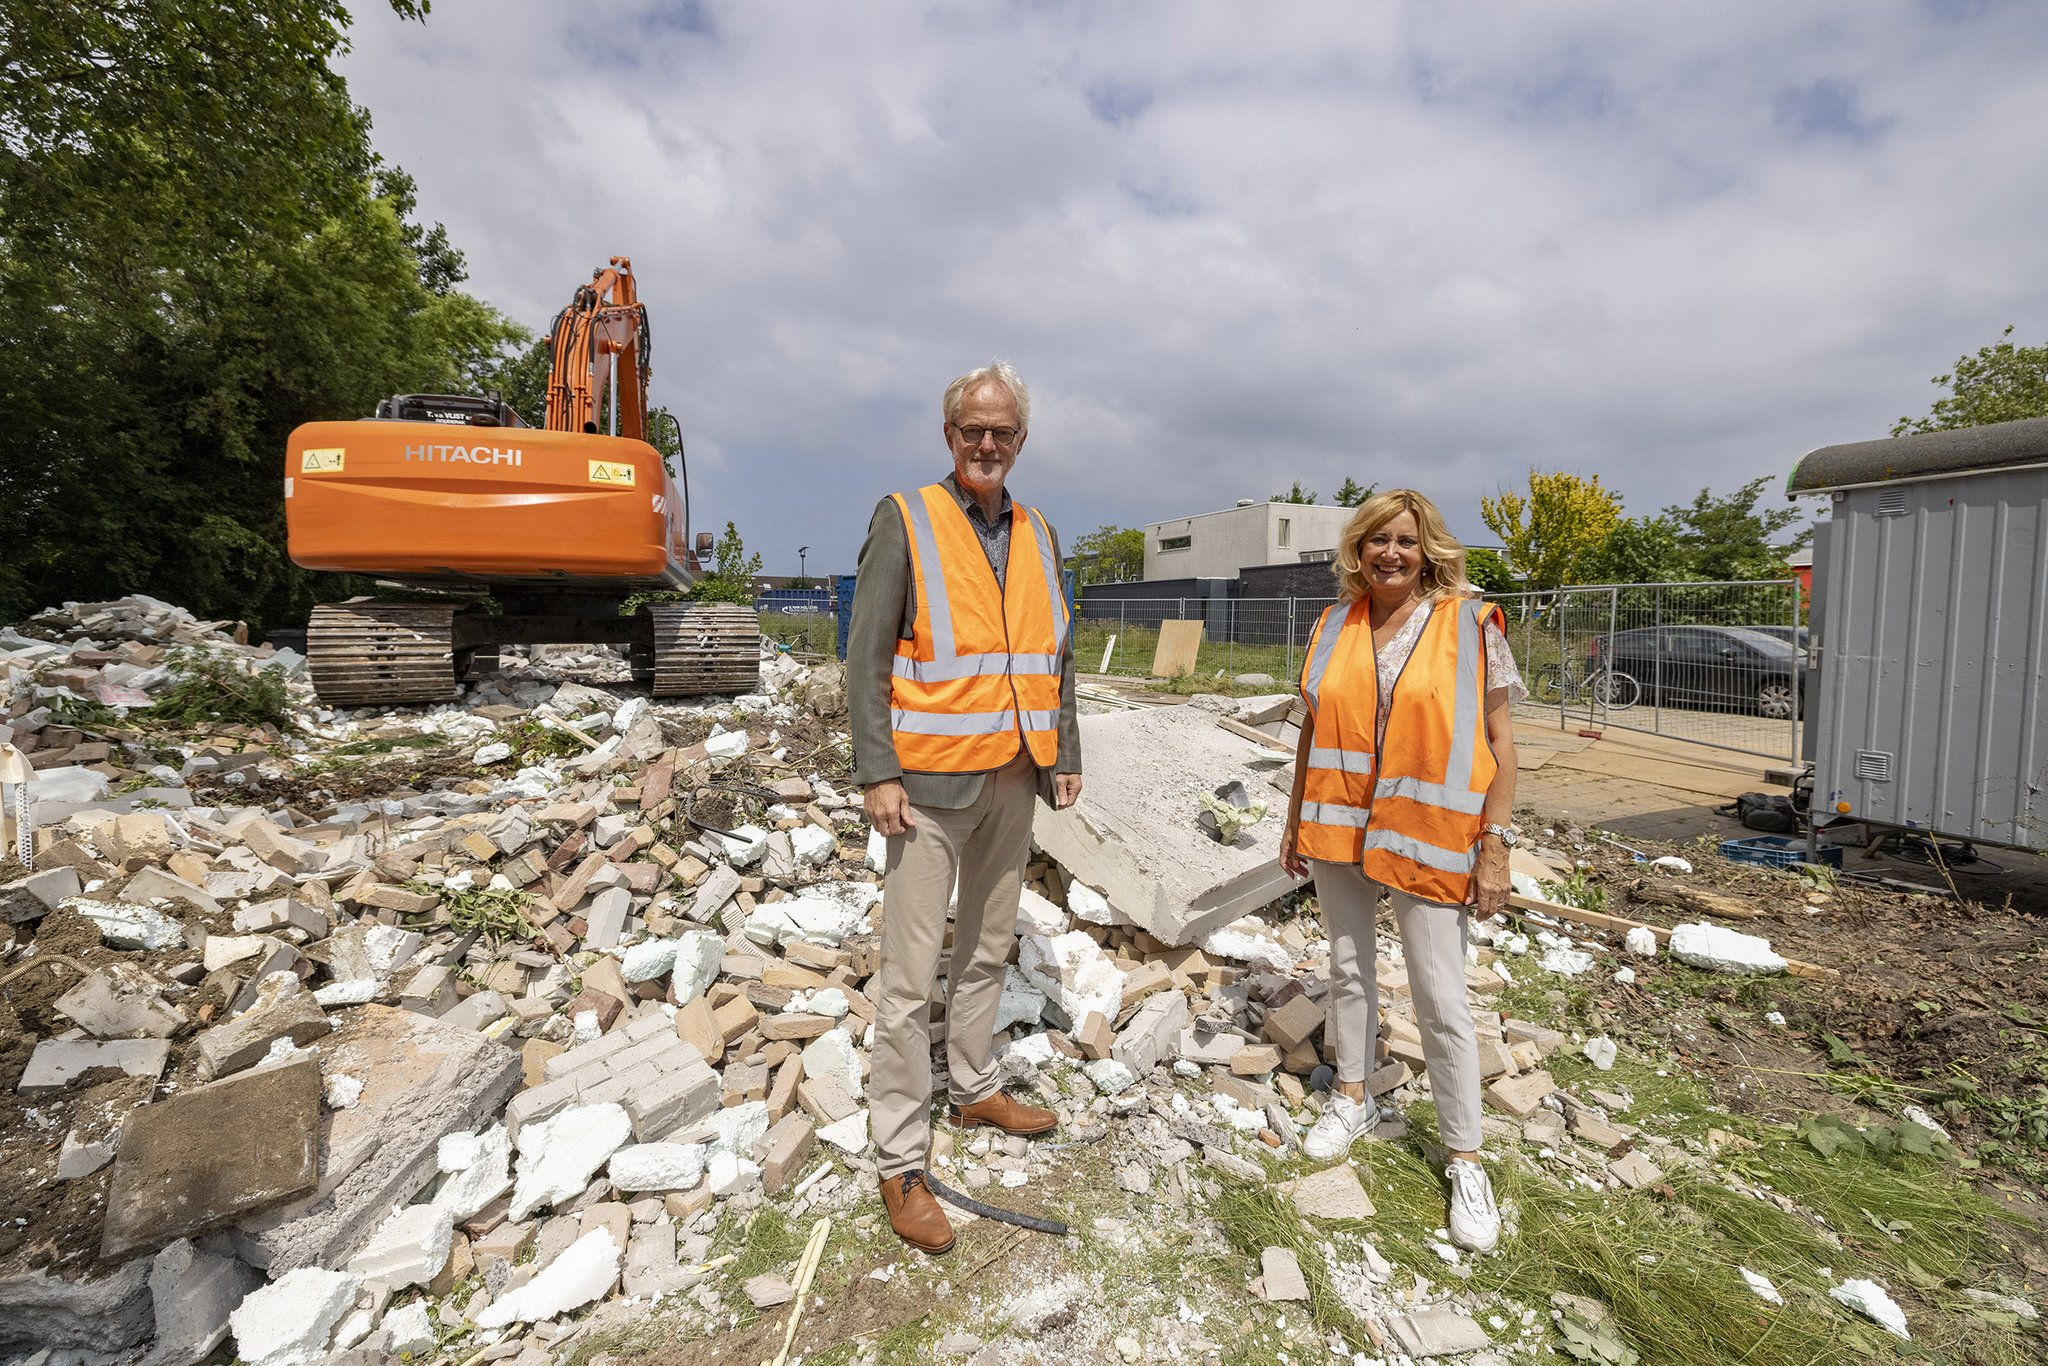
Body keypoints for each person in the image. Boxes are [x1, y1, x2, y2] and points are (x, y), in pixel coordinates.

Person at [846, 360, 1084, 1255]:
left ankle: (975, 1084)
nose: (988, 444)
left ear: (1022, 442)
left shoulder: (1042, 532)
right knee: (909, 978)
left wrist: (1064, 753)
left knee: (987, 945)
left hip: (1016, 779)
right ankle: (901, 1158)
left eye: (1004, 432)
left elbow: (1055, 657)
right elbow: (865, 655)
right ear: (949, 435)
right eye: (972, 430)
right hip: (930, 791)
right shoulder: (905, 519)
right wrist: (877, 771)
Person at [1279, 488, 1523, 1254]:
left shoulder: (1469, 623)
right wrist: (1293, 819)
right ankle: (1351, 1097)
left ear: (1430, 552)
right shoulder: (1333, 623)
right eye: (1379, 539)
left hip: (1429, 832)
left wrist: (1496, 844)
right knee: (1347, 971)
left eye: (1407, 542)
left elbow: (1500, 740)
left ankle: (1464, 1158)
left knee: (1440, 996)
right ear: (1358, 548)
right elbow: (1314, 734)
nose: (1391, 553)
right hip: (1339, 823)